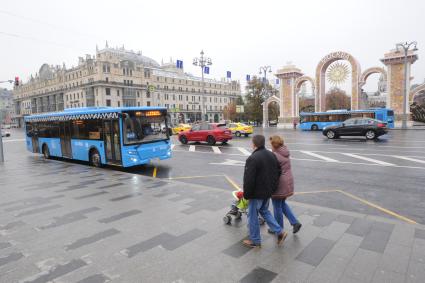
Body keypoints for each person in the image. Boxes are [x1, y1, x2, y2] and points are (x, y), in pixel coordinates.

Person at [242, 135, 287, 248]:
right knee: (264, 211)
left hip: (256, 193)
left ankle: (255, 240)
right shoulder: (271, 154)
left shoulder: (252, 158)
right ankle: (280, 231)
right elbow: (278, 171)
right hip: (268, 191)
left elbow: (249, 179)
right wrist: (272, 187)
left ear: (254, 144)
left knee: (252, 215)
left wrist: (246, 194)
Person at [269, 135, 302, 234]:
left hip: (280, 182)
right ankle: (295, 222)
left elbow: (272, 172)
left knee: (277, 206)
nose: (270, 146)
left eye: (270, 144)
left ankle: (278, 229)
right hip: (288, 180)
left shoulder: (275, 155)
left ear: (274, 145)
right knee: (282, 203)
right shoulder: (284, 151)